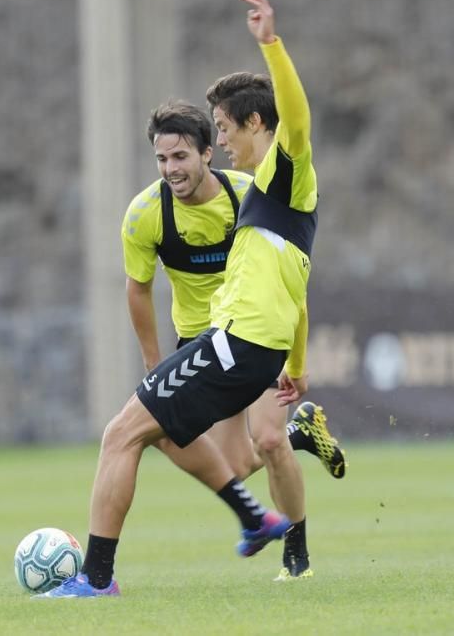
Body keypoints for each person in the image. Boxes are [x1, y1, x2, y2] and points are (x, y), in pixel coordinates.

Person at [36, 0, 321, 599]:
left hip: (237, 345)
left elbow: (295, 119)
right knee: (197, 445)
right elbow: (294, 289)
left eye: (222, 129)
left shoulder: (282, 172)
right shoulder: (265, 193)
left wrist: (270, 46)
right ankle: (258, 501)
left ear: (251, 126)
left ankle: (95, 580)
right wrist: (295, 364)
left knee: (122, 433)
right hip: (247, 349)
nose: (222, 141)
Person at [121, 98, 346, 581]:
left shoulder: (249, 194)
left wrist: (296, 358)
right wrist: (153, 362)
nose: (170, 169)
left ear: (207, 154)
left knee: (265, 440)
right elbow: (137, 291)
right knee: (232, 466)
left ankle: (297, 555)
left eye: (180, 157)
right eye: (161, 160)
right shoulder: (145, 215)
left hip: (252, 334)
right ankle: (300, 433)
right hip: (198, 340)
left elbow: (291, 275)